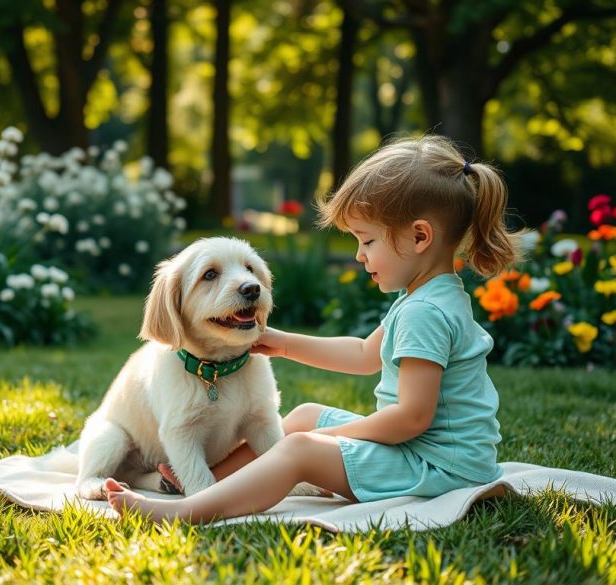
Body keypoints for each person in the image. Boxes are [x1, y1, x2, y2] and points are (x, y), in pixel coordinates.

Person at [105, 134, 523, 523]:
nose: (359, 255)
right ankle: (211, 480)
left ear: (419, 237)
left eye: (367, 241)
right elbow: (365, 355)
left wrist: (333, 439)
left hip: (438, 468)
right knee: (304, 417)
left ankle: (188, 510)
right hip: (437, 455)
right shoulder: (427, 298)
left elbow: (410, 419)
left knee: (300, 446)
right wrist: (284, 344)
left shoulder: (424, 313)